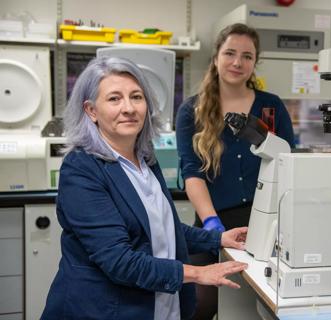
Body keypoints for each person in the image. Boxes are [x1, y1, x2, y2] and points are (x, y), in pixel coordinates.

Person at [41, 56, 249, 320]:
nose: (128, 108)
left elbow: (162, 230)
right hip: (105, 311)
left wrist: (219, 238)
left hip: (160, 307)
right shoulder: (81, 169)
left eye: (136, 97)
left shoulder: (145, 158)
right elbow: (119, 261)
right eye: (114, 98)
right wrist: (198, 273)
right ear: (91, 111)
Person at [175, 23, 295, 319]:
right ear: (216, 57)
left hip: (266, 221)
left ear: (255, 63)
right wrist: (212, 225)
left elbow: (288, 163)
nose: (237, 62)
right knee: (199, 304)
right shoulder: (192, 111)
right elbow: (192, 174)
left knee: (265, 301)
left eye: (247, 56)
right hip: (213, 222)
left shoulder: (271, 107)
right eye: (230, 53)